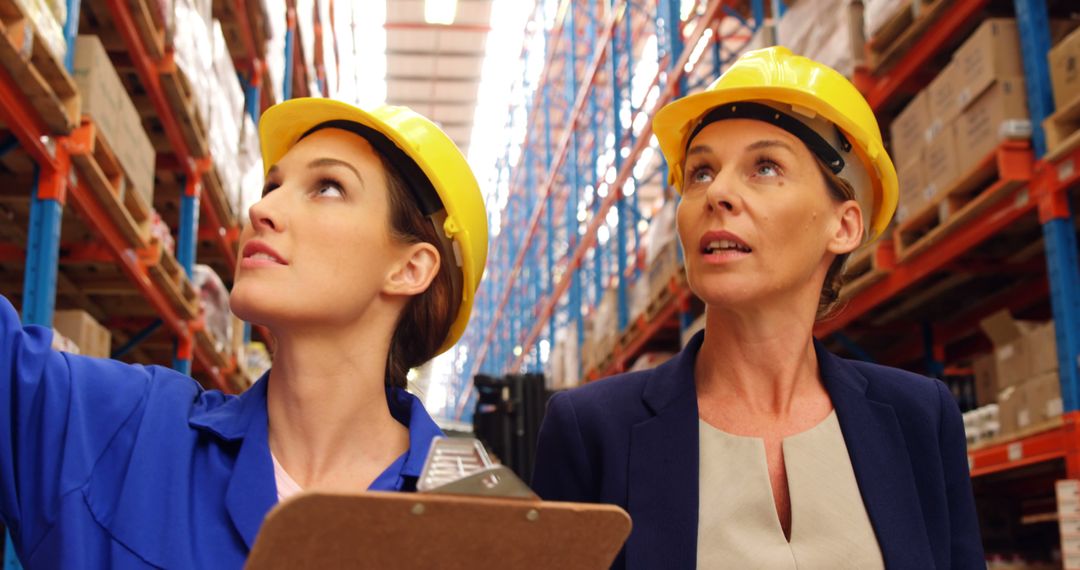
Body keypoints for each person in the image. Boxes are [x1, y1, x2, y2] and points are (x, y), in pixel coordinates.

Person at [531, 46, 983, 569]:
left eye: (765, 167)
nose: (716, 193)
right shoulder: (593, 431)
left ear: (845, 226)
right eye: (700, 173)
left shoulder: (918, 418)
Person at [0, 99, 487, 568]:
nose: (263, 208)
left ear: (410, 268)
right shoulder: (124, 433)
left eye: (328, 187)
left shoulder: (484, 521)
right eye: (272, 185)